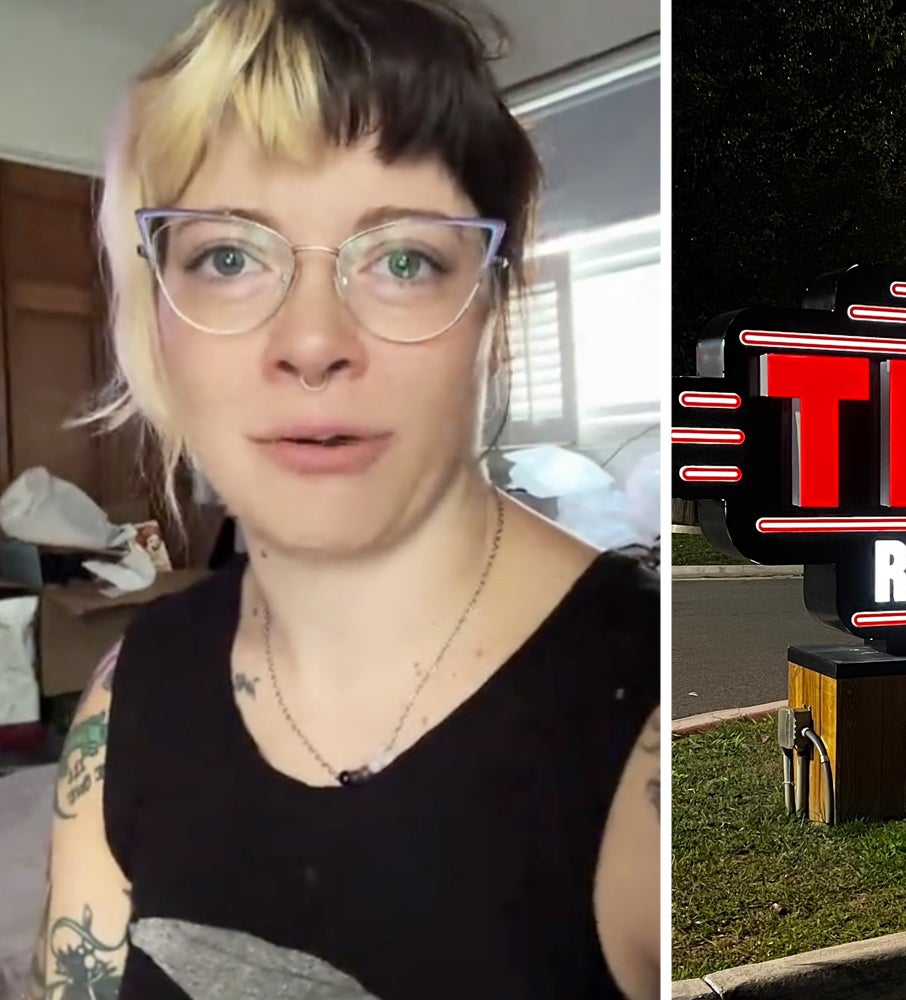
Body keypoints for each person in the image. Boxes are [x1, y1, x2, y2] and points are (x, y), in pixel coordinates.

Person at [33, 1, 661, 997]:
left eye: (403, 258)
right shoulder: (130, 688)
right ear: (154, 310)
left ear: (491, 305)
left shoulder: (649, 719)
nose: (314, 337)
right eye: (229, 257)